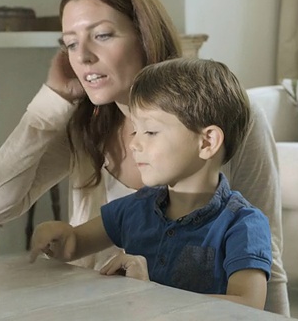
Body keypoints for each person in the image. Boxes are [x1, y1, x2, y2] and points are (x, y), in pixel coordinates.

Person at [0, 0, 290, 316]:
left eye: (103, 35)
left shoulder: (227, 116)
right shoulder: (83, 124)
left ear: (144, 35)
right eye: (70, 43)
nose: (83, 57)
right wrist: (50, 102)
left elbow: (264, 260)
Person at [29, 58, 272, 310]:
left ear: (207, 142)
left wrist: (150, 293)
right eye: (135, 131)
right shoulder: (135, 208)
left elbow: (248, 305)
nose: (134, 144)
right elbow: (75, 243)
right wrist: (55, 236)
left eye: (151, 132)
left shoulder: (243, 224)